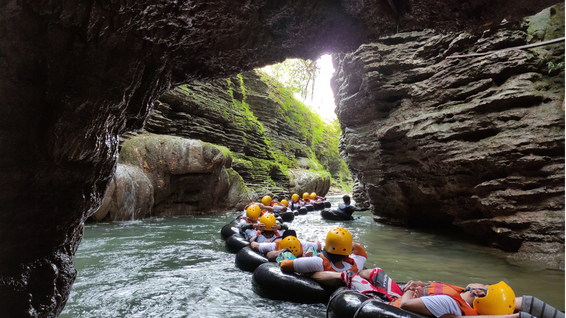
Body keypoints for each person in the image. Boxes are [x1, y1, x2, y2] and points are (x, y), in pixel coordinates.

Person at [279, 227, 367, 274]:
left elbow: (284, 264)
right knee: (312, 250)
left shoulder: (317, 263)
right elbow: (362, 255)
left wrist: (304, 259)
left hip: (313, 261)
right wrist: (353, 245)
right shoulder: (356, 265)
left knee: (287, 251)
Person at [250, 230, 321, 261]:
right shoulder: (303, 244)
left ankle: (281, 253)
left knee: (268, 253)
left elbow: (254, 245)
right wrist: (315, 241)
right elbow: (318, 245)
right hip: (297, 256)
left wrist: (253, 242)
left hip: (278, 252)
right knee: (268, 254)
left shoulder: (275, 245)